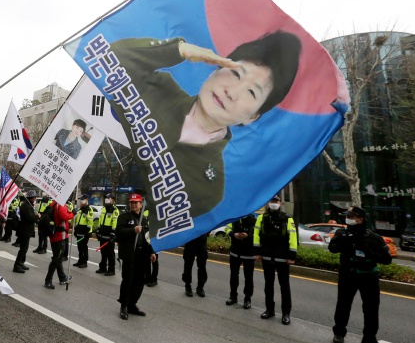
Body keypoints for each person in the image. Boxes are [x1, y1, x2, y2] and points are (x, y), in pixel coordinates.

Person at [107, 32, 301, 227]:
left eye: (251, 92)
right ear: (215, 68)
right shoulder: (158, 88)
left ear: (253, 116)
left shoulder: (211, 188)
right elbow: (108, 58)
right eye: (235, 73)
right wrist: (179, 49)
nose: (232, 92)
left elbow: (172, 228)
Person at [329, 206, 391, 343]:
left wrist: (368, 251)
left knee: (371, 308)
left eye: (351, 216)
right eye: (348, 216)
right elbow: (332, 248)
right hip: (348, 275)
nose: (348, 219)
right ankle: (339, 333)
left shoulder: (373, 237)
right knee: (343, 304)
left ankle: (369, 338)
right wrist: (346, 241)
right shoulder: (341, 233)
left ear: (360, 219)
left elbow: (387, 259)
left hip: (368, 276)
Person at [254, 195, 297, 325]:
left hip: (282, 258)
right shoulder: (262, 218)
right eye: (272, 201)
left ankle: (286, 313)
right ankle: (269, 309)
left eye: (276, 201)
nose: (274, 203)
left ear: (280, 203)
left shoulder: (287, 218)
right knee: (268, 285)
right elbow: (256, 236)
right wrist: (257, 252)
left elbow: (293, 238)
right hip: (266, 256)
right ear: (268, 203)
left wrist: (292, 256)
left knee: (284, 286)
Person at [116, 193, 156, 320]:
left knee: (139, 281)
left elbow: (147, 238)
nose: (134, 205)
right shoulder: (124, 217)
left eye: (136, 202)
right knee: (128, 280)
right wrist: (133, 230)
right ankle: (124, 306)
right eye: (132, 203)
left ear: (141, 204)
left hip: (142, 255)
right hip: (129, 254)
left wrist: (152, 252)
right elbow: (119, 232)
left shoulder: (143, 219)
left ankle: (133, 304)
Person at [225, 213, 257, 309]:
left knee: (248, 277)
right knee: (234, 275)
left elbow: (258, 234)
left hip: (248, 253)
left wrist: (248, 236)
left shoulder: (254, 220)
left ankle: (247, 299)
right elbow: (227, 229)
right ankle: (233, 296)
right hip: (235, 252)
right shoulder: (235, 217)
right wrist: (233, 234)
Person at [43, 201, 73, 289]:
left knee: (58, 257)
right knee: (57, 258)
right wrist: (72, 213)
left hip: (55, 234)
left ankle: (62, 277)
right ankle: (48, 280)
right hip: (59, 235)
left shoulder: (53, 203)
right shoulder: (60, 204)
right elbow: (64, 216)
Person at [13, 190, 37, 273]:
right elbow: (30, 218)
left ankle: (21, 262)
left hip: (24, 229)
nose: (35, 198)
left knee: (24, 248)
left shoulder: (27, 205)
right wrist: (37, 216)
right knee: (23, 248)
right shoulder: (27, 206)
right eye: (35, 197)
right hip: (25, 230)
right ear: (32, 198)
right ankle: (17, 265)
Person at [96, 193, 119, 276]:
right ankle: (103, 268)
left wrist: (113, 233)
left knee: (110, 253)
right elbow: (100, 220)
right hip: (103, 234)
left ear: (112, 200)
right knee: (103, 252)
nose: (107, 199)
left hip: (109, 235)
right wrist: (98, 230)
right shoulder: (104, 208)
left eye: (108, 198)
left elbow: (115, 222)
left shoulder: (114, 210)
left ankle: (111, 270)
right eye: (106, 198)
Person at [182, 233, 209, 298]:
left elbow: (209, 224)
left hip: (202, 242)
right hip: (190, 242)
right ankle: (187, 286)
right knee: (188, 265)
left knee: (202, 267)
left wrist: (206, 233)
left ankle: (200, 287)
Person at [72, 194, 93, 268]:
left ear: (87, 200)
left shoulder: (89, 209)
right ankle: (80, 260)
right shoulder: (81, 209)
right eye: (81, 199)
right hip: (79, 231)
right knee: (79, 247)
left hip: (85, 232)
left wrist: (87, 232)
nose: (81, 201)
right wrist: (76, 229)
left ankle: (84, 262)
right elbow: (78, 220)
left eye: (83, 199)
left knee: (84, 247)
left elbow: (90, 222)